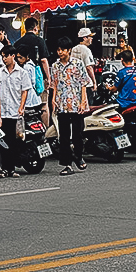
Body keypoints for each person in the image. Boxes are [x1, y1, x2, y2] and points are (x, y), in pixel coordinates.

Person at [49, 36, 90, 176]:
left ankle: (78, 156)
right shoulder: (55, 66)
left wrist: (83, 101)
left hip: (76, 103)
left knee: (78, 133)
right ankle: (67, 164)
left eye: (63, 50)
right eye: (58, 50)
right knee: (64, 135)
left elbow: (84, 83)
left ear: (69, 50)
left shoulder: (77, 64)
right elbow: (53, 85)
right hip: (61, 104)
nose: (60, 52)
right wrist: (53, 100)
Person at [0, 46, 31, 178]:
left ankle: (11, 168)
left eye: (6, 56)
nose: (4, 59)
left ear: (13, 56)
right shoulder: (0, 72)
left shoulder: (22, 73)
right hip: (2, 112)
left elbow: (25, 91)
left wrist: (21, 107)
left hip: (14, 111)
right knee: (2, 140)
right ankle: (4, 168)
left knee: (12, 141)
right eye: (2, 56)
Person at [71, 28, 98, 95]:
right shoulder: (86, 50)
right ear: (84, 38)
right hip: (86, 84)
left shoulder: (74, 49)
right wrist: (94, 82)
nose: (91, 39)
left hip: (75, 82)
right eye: (90, 37)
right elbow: (89, 68)